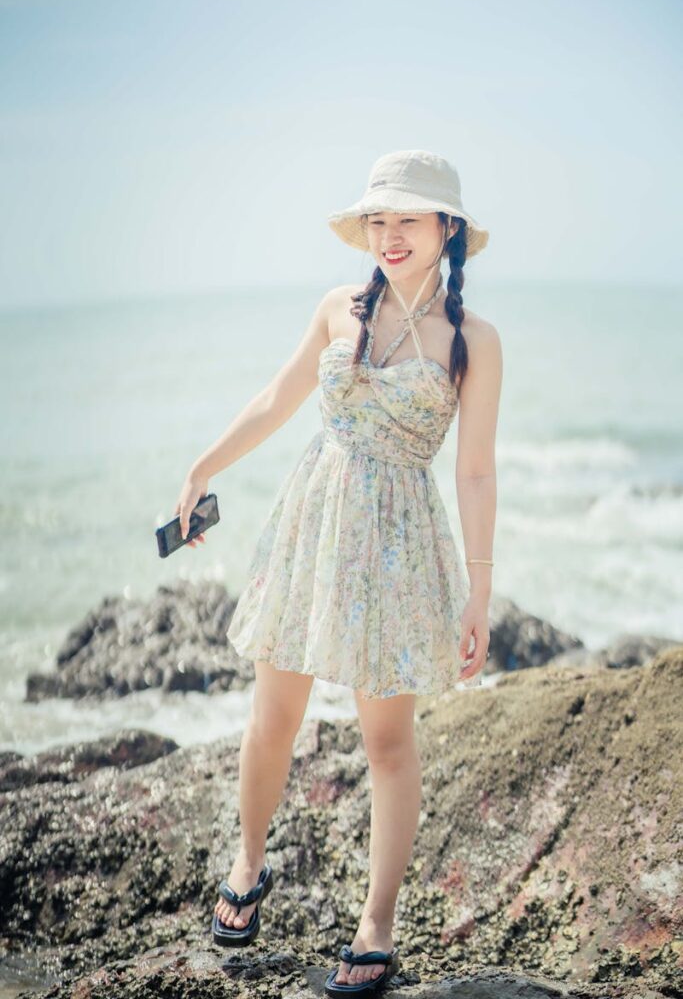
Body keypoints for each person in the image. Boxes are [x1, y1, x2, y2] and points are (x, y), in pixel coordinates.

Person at [173, 149, 502, 997]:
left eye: (408, 221)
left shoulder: (473, 341)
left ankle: (377, 924)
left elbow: (472, 471)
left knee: (388, 742)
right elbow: (279, 398)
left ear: (447, 230)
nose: (389, 236)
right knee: (270, 717)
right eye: (379, 221)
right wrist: (204, 466)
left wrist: (478, 590)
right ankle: (247, 864)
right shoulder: (335, 308)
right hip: (312, 527)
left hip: (397, 548)